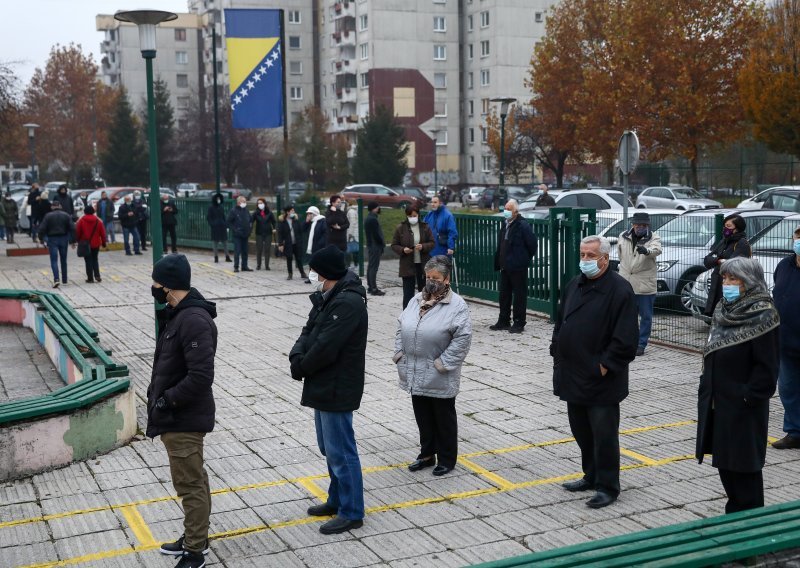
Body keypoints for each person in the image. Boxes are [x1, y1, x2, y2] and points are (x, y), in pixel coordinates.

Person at [550, 235, 638, 509]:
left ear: (605, 259)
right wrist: (556, 347)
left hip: (600, 378)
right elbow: (561, 319)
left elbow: (626, 339)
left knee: (603, 435)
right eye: (582, 254)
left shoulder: (620, 290)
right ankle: (591, 474)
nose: (585, 260)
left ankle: (608, 486)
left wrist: (604, 365)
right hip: (572, 372)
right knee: (581, 431)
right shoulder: (574, 285)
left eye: (590, 256)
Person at [289, 245, 368, 535]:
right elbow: (309, 331)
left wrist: (303, 366)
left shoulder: (348, 302)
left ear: (327, 274)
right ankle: (337, 499)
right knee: (328, 447)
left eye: (316, 272)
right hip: (323, 382)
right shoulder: (328, 296)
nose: (313, 276)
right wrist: (296, 357)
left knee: (341, 450)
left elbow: (326, 346)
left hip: (337, 385)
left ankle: (352, 511)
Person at [148, 254, 218, 568]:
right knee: (195, 481)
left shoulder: (193, 319)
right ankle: (194, 537)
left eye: (156, 283)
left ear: (170, 286)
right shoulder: (179, 313)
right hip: (177, 416)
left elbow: (201, 377)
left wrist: (166, 401)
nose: (153, 287)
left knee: (190, 485)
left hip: (183, 418)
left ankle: (194, 553)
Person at [696, 257, 779, 514]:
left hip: (743, 407)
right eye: (725, 278)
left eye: (735, 279)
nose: (728, 284)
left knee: (745, 467)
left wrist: (747, 397)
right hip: (717, 402)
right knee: (725, 462)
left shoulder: (763, 313)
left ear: (749, 282)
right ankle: (734, 515)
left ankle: (751, 528)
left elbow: (767, 368)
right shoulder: (724, 308)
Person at [394, 255, 472, 477]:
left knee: (443, 417)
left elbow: (462, 339)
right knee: (422, 415)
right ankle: (426, 454)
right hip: (414, 368)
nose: (431, 281)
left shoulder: (457, 305)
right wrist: (400, 354)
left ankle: (447, 458)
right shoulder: (416, 299)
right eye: (428, 276)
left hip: (439, 371)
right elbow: (401, 326)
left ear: (447, 279)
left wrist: (443, 363)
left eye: (436, 277)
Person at [617, 212, 663, 356]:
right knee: (626, 315)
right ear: (633, 224)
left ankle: (641, 344)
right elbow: (621, 255)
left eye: (644, 225)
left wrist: (646, 251)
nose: (640, 227)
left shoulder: (653, 237)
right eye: (638, 225)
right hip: (626, 282)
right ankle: (627, 341)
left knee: (646, 316)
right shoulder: (623, 236)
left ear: (648, 225)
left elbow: (657, 250)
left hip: (644, 284)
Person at [771, 225, 800, 450]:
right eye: (798, 236)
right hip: (785, 340)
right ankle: (795, 431)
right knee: (788, 388)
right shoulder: (784, 265)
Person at [490, 199, 537, 334]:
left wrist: (523, 259)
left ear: (516, 211)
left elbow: (532, 244)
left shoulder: (522, 225)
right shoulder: (505, 224)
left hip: (518, 266)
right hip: (505, 266)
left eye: (509, 209)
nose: (506, 211)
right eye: (505, 208)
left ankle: (519, 322)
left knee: (519, 296)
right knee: (504, 295)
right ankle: (504, 320)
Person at [703, 214, 751, 317]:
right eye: (724, 226)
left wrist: (718, 261)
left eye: (728, 226)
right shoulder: (723, 241)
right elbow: (707, 260)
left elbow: (732, 264)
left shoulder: (742, 243)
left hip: (732, 286)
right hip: (717, 282)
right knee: (716, 313)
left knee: (730, 312)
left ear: (737, 228)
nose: (725, 229)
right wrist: (719, 260)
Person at [392, 205, 435, 309]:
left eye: (414, 215)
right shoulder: (401, 228)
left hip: (423, 264)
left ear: (418, 215)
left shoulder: (425, 227)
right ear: (407, 216)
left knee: (424, 293)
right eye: (410, 216)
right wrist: (403, 250)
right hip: (407, 265)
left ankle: (424, 313)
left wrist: (423, 246)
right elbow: (394, 245)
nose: (413, 218)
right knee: (408, 294)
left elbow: (432, 242)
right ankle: (406, 315)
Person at [37, 201, 76, 288]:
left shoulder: (48, 216)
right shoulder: (66, 215)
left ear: (52, 207)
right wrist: (73, 241)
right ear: (60, 206)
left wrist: (41, 239)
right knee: (63, 260)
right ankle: (65, 280)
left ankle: (56, 279)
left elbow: (42, 229)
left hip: (52, 239)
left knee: (54, 260)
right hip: (64, 238)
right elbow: (73, 228)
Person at [75, 205, 107, 283]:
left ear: (85, 212)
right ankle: (97, 275)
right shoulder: (98, 221)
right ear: (93, 212)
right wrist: (103, 243)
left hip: (85, 244)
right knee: (95, 259)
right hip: (96, 243)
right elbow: (103, 233)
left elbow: (78, 232)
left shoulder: (81, 220)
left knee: (88, 260)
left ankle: (90, 278)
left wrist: (77, 240)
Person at [278, 206, 307, 281]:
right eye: (292, 211)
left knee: (299, 258)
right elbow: (280, 234)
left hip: (296, 243)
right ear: (287, 212)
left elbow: (300, 231)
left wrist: (300, 241)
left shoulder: (296, 220)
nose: (293, 212)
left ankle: (302, 273)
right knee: (289, 258)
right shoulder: (282, 222)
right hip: (288, 243)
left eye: (293, 211)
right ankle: (290, 274)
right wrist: (280, 244)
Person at [364, 201, 385, 296]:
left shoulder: (369, 218)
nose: (379, 209)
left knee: (371, 266)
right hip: (375, 246)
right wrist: (381, 243)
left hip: (371, 245)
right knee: (374, 267)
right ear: (374, 208)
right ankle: (373, 288)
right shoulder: (372, 219)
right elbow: (376, 234)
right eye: (378, 207)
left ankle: (370, 286)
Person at [227, 196, 252, 273]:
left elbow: (250, 220)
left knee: (245, 251)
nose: (245, 203)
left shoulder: (246, 211)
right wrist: (235, 229)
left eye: (245, 201)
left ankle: (244, 266)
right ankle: (236, 266)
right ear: (238, 202)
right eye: (243, 201)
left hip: (245, 234)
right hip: (237, 235)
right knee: (237, 251)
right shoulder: (233, 211)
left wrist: (250, 230)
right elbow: (228, 221)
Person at [251, 198, 276, 270]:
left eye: (261, 203)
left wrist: (274, 228)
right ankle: (258, 265)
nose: (260, 204)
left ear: (264, 203)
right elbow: (251, 221)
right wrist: (250, 228)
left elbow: (274, 221)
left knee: (267, 249)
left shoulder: (269, 213)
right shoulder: (256, 213)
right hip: (259, 233)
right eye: (258, 203)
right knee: (259, 249)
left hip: (268, 233)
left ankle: (267, 265)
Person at [304, 206, 327, 282]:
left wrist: (320, 243)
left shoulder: (322, 221)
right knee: (312, 262)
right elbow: (302, 229)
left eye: (310, 213)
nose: (308, 215)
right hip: (312, 246)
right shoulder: (311, 222)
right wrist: (306, 222)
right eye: (308, 213)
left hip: (319, 246)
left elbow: (325, 233)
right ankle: (311, 278)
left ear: (314, 213)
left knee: (319, 263)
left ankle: (321, 277)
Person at [206, 193, 231, 263]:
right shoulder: (211, 207)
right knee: (215, 243)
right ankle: (216, 257)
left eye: (219, 199)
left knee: (225, 242)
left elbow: (223, 216)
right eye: (217, 199)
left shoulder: (221, 207)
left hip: (222, 226)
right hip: (215, 227)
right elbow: (208, 217)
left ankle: (227, 256)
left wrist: (225, 224)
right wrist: (213, 224)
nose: (219, 200)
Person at [345, 200, 359, 268]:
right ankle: (356, 264)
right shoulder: (356, 210)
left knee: (351, 250)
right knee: (355, 250)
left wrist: (350, 234)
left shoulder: (351, 211)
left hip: (352, 233)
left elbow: (352, 223)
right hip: (356, 233)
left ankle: (352, 265)